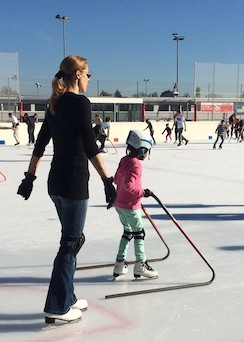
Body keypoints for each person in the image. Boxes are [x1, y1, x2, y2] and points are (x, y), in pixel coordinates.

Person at [16, 55, 116, 324]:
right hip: (73, 183)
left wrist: (30, 177)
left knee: (73, 238)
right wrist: (107, 180)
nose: (89, 78)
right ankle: (57, 306)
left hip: (55, 183)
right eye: (88, 73)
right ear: (77, 74)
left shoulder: (55, 104)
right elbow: (89, 145)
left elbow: (40, 144)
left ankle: (68, 296)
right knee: (70, 243)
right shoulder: (79, 103)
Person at [112, 130, 158, 279]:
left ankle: (119, 263)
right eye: (146, 151)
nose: (146, 154)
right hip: (130, 206)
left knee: (128, 232)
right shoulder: (136, 164)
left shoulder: (124, 160)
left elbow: (116, 179)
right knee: (139, 233)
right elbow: (129, 185)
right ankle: (140, 264)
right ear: (141, 149)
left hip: (119, 204)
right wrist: (143, 192)